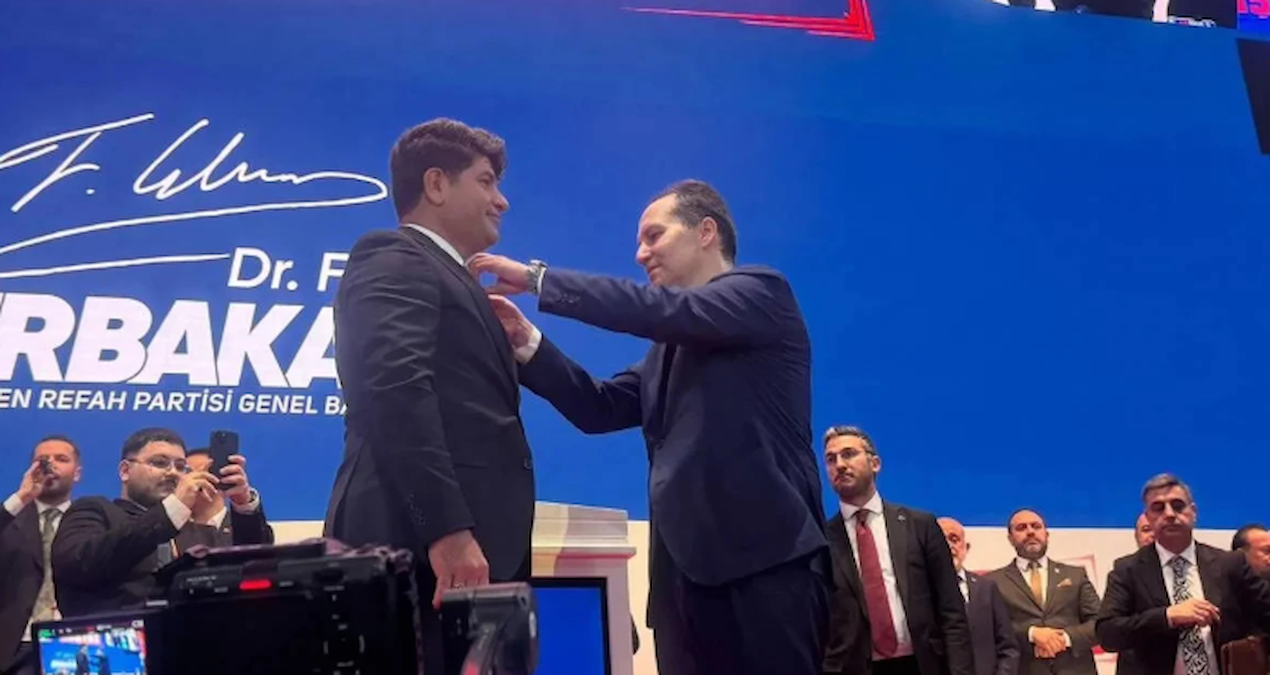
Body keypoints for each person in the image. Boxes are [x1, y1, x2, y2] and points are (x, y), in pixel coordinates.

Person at [468, 179, 828, 675]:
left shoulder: (763, 292)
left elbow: (663, 311)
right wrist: (526, 341)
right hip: (681, 586)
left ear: (706, 232)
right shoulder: (665, 352)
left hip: (765, 570)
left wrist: (537, 280)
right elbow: (599, 408)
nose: (640, 254)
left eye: (654, 236)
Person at [322, 118, 535, 675]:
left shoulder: (452, 277)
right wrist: (446, 530)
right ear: (437, 184)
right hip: (416, 551)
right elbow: (394, 390)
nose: (502, 201)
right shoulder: (394, 254)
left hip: (455, 558)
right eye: (486, 181)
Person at [52, 428, 272, 616]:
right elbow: (78, 565)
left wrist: (244, 504)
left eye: (181, 466)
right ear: (125, 471)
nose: (173, 473)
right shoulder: (94, 511)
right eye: (159, 463)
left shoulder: (196, 532)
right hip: (117, 643)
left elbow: (252, 564)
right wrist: (172, 510)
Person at [818, 426, 974, 675]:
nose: (840, 464)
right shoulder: (823, 539)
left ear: (875, 464)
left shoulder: (920, 525)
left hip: (922, 664)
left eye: (849, 454)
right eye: (830, 459)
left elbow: (951, 612)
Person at [1096, 474, 1270, 675]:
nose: (1169, 514)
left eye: (1178, 505)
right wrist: (1167, 616)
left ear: (1193, 512)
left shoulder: (1230, 564)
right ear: (1148, 518)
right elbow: (1108, 634)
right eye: (1158, 508)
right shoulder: (1128, 570)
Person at [0, 436, 81, 675]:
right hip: (15, 645)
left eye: (61, 459)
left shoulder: (89, 523)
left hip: (73, 639)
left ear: (77, 473)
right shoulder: (10, 520)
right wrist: (22, 497)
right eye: (43, 460)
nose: (51, 464)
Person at [988, 509, 1100, 675]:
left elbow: (1100, 623)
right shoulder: (993, 582)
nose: (1030, 532)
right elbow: (989, 629)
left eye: (1036, 526)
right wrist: (1031, 634)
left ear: (1046, 534)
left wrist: (1063, 639)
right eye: (1021, 528)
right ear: (1010, 539)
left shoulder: (1075, 575)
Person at [939, 517, 1019, 675]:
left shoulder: (986, 588)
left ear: (966, 547)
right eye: (941, 540)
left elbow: (1008, 648)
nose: (949, 545)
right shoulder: (917, 590)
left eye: (954, 539)